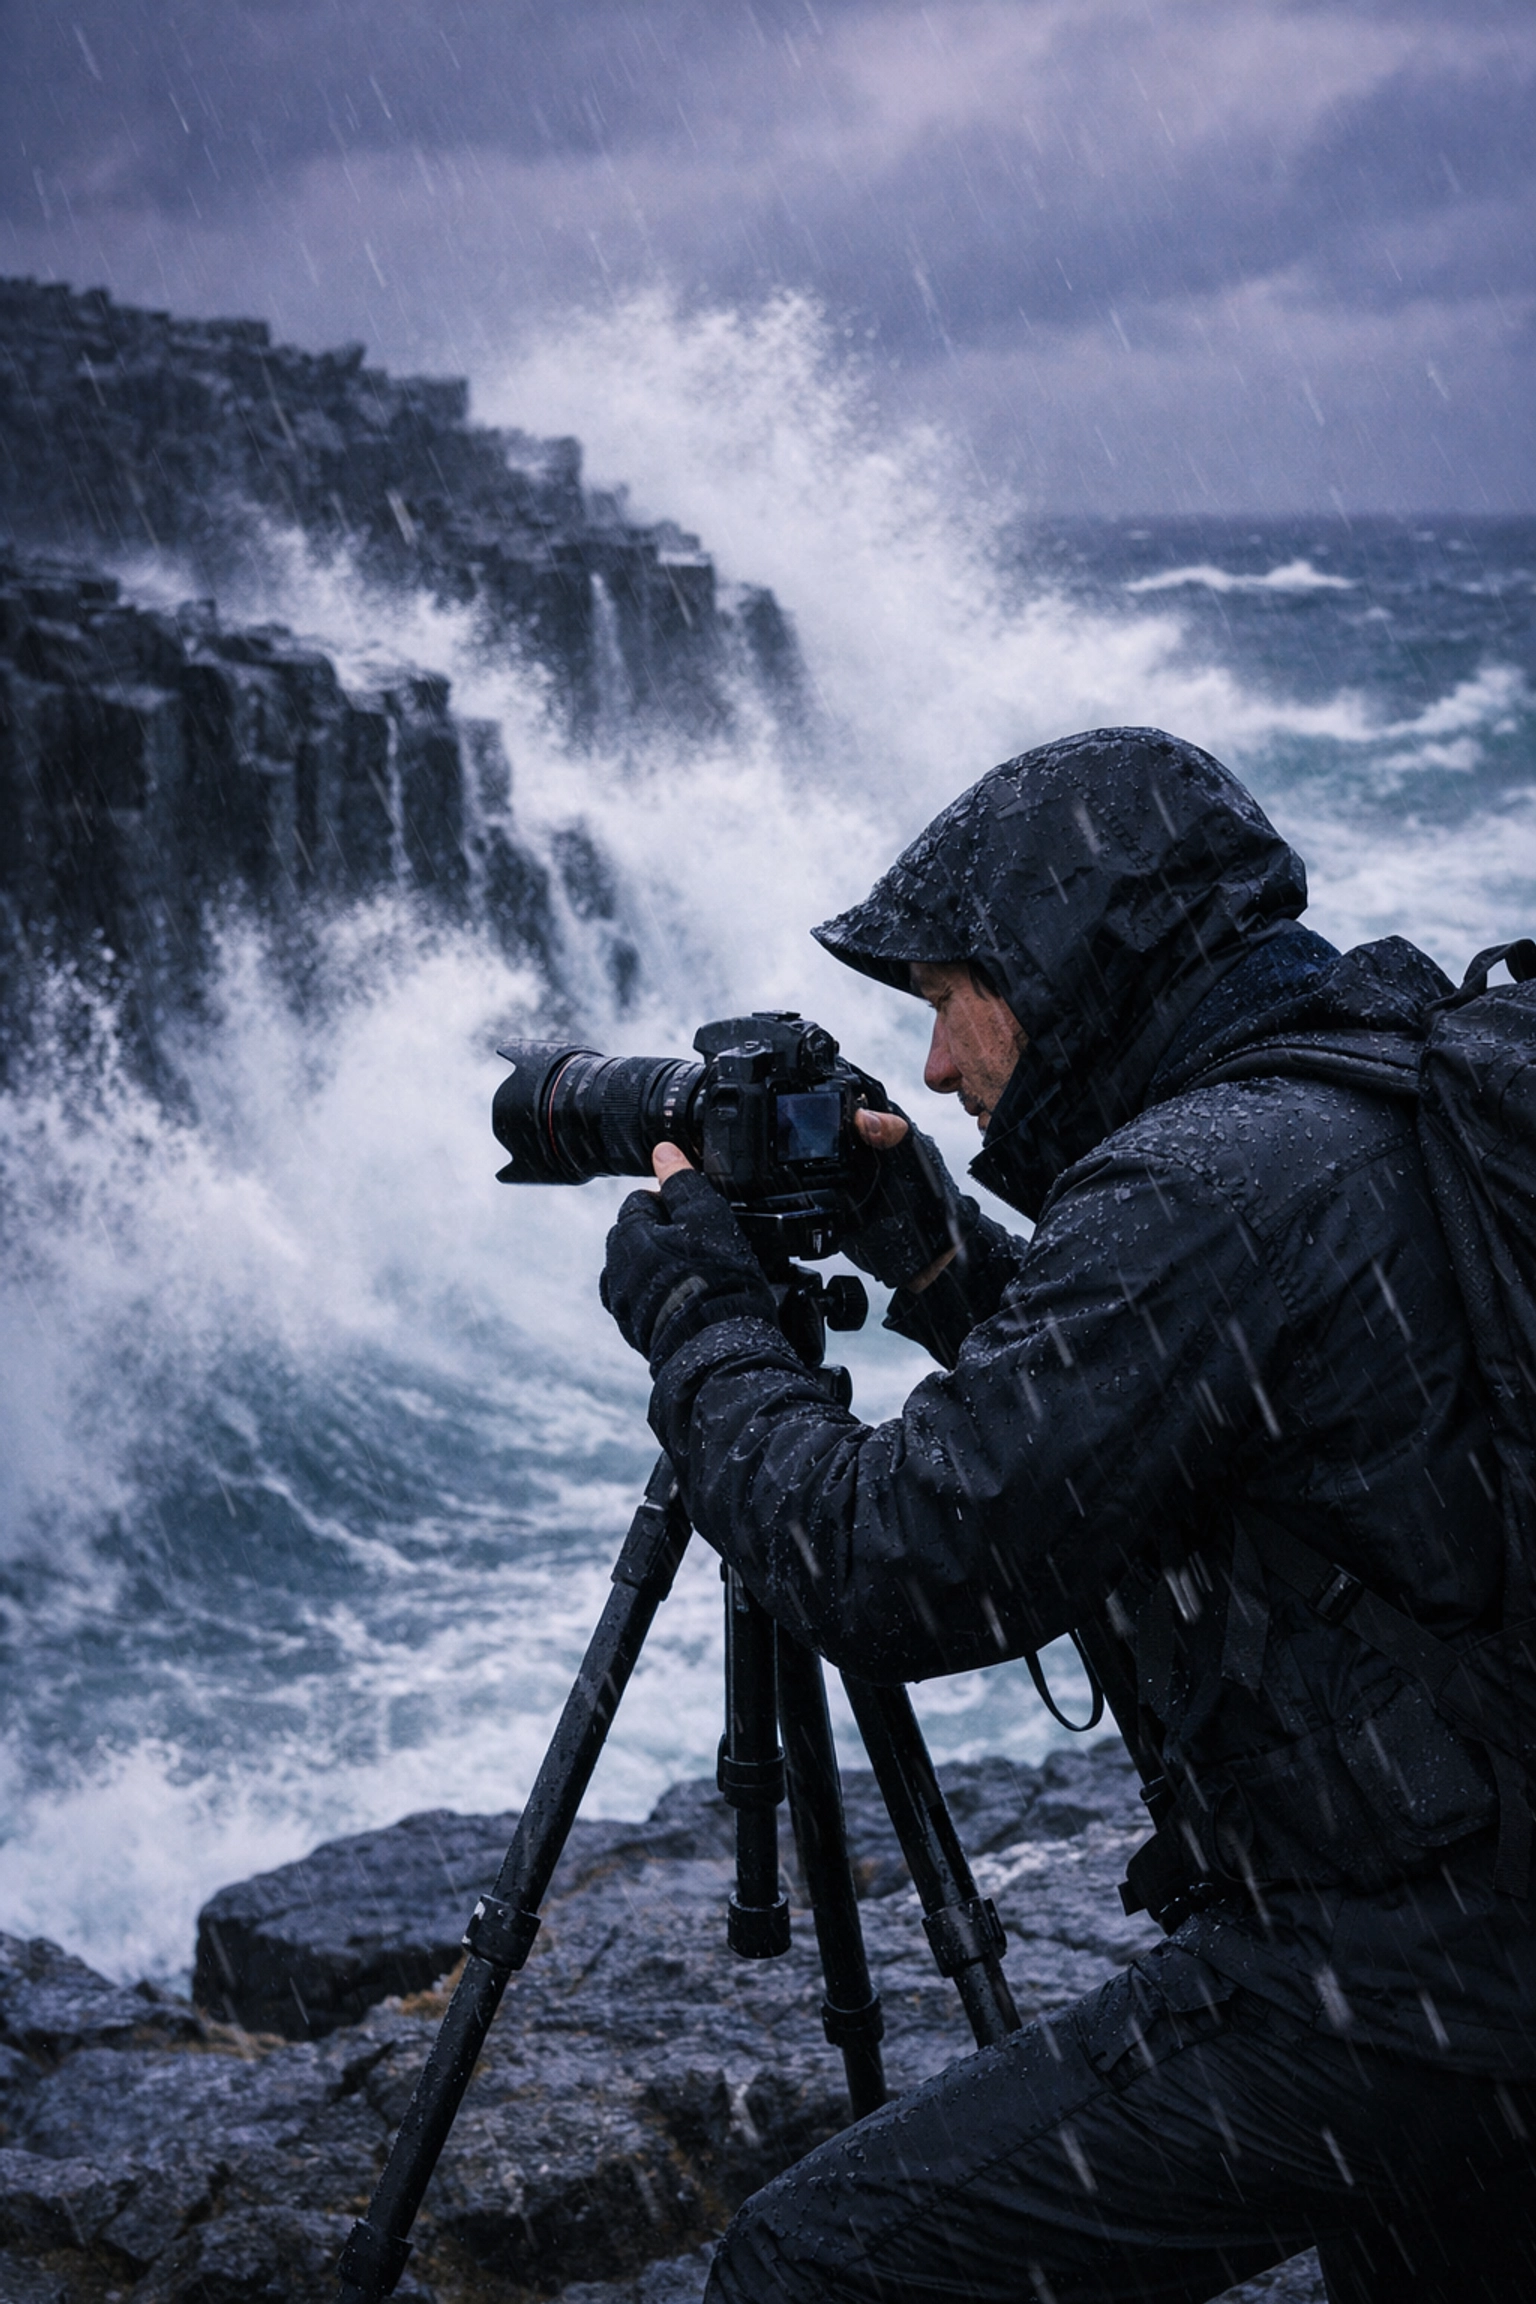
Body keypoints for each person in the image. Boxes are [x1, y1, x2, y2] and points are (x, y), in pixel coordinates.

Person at [598, 727, 1536, 2304]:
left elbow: (888, 1563)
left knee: (806, 2270)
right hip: (1491, 1922)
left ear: (1063, 968)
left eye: (952, 1006)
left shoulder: (1203, 1183)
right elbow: (1194, 1411)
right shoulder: (1370, 1082)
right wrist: (936, 1252)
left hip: (1408, 1976)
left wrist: (703, 1330)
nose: (947, 1068)